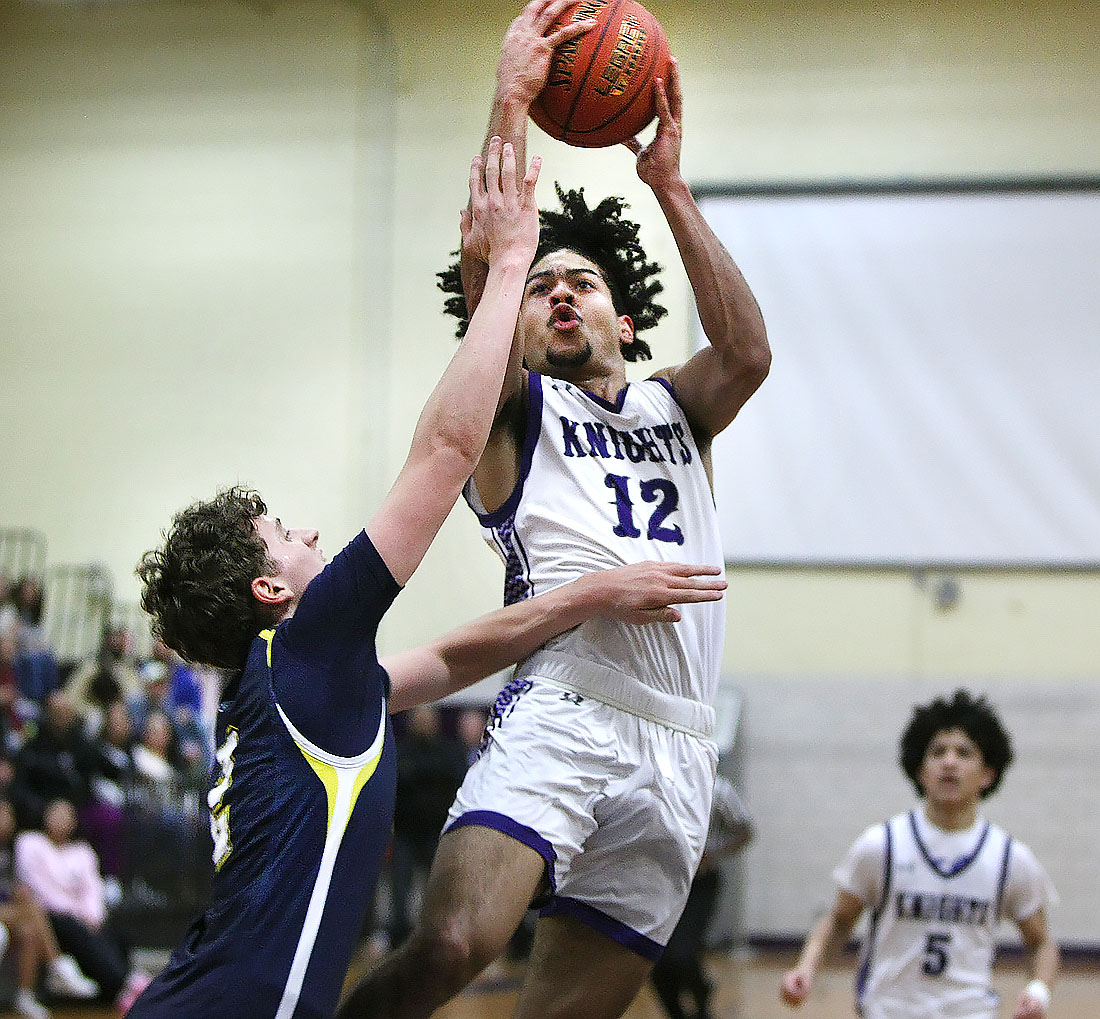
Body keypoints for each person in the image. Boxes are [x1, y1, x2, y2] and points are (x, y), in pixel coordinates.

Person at [122, 138, 726, 1019]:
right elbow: (445, 455)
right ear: (267, 593)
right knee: (447, 940)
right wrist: (505, 236)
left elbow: (445, 660)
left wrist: (588, 596)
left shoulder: (306, 684)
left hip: (208, 995)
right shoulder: (309, 640)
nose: (314, 529)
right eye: (286, 535)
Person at [337, 5, 770, 1018]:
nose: (561, 295)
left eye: (582, 282)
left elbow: (747, 352)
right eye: (540, 292)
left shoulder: (679, 405)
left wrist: (666, 184)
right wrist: (510, 102)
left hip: (679, 743)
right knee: (451, 940)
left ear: (625, 313)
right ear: (515, 329)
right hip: (563, 708)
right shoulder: (514, 410)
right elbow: (492, 259)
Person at [780, 689, 1060, 1019]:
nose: (949, 762)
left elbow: (1041, 943)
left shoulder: (1010, 857)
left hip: (970, 1011)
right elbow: (839, 920)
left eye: (964, 753)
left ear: (988, 773)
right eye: (937, 752)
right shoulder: (882, 844)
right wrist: (806, 968)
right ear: (920, 770)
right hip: (888, 1010)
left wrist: (1038, 990)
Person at [13, 797, 146, 1012]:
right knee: (73, 928)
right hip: (49, 916)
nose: (59, 820)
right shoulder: (30, 842)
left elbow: (92, 889)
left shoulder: (83, 851)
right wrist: (74, 913)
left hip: (83, 919)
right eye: (55, 813)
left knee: (114, 935)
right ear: (45, 816)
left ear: (73, 822)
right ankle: (126, 982)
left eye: (66, 816)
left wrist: (92, 916)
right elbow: (36, 886)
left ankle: (118, 988)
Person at [649, 774, 753, 1019]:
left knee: (682, 953)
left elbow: (745, 832)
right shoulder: (657, 783)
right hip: (663, 882)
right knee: (653, 957)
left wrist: (715, 852)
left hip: (701, 883)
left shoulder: (720, 789)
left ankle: (701, 1000)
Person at [0, 797, 99, 1019]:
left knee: (28, 931)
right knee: (32, 909)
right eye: (3, 815)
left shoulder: (7, 851)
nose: (8, 821)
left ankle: (24, 997)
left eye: (9, 816)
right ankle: (58, 965)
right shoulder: (26, 843)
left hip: (7, 915)